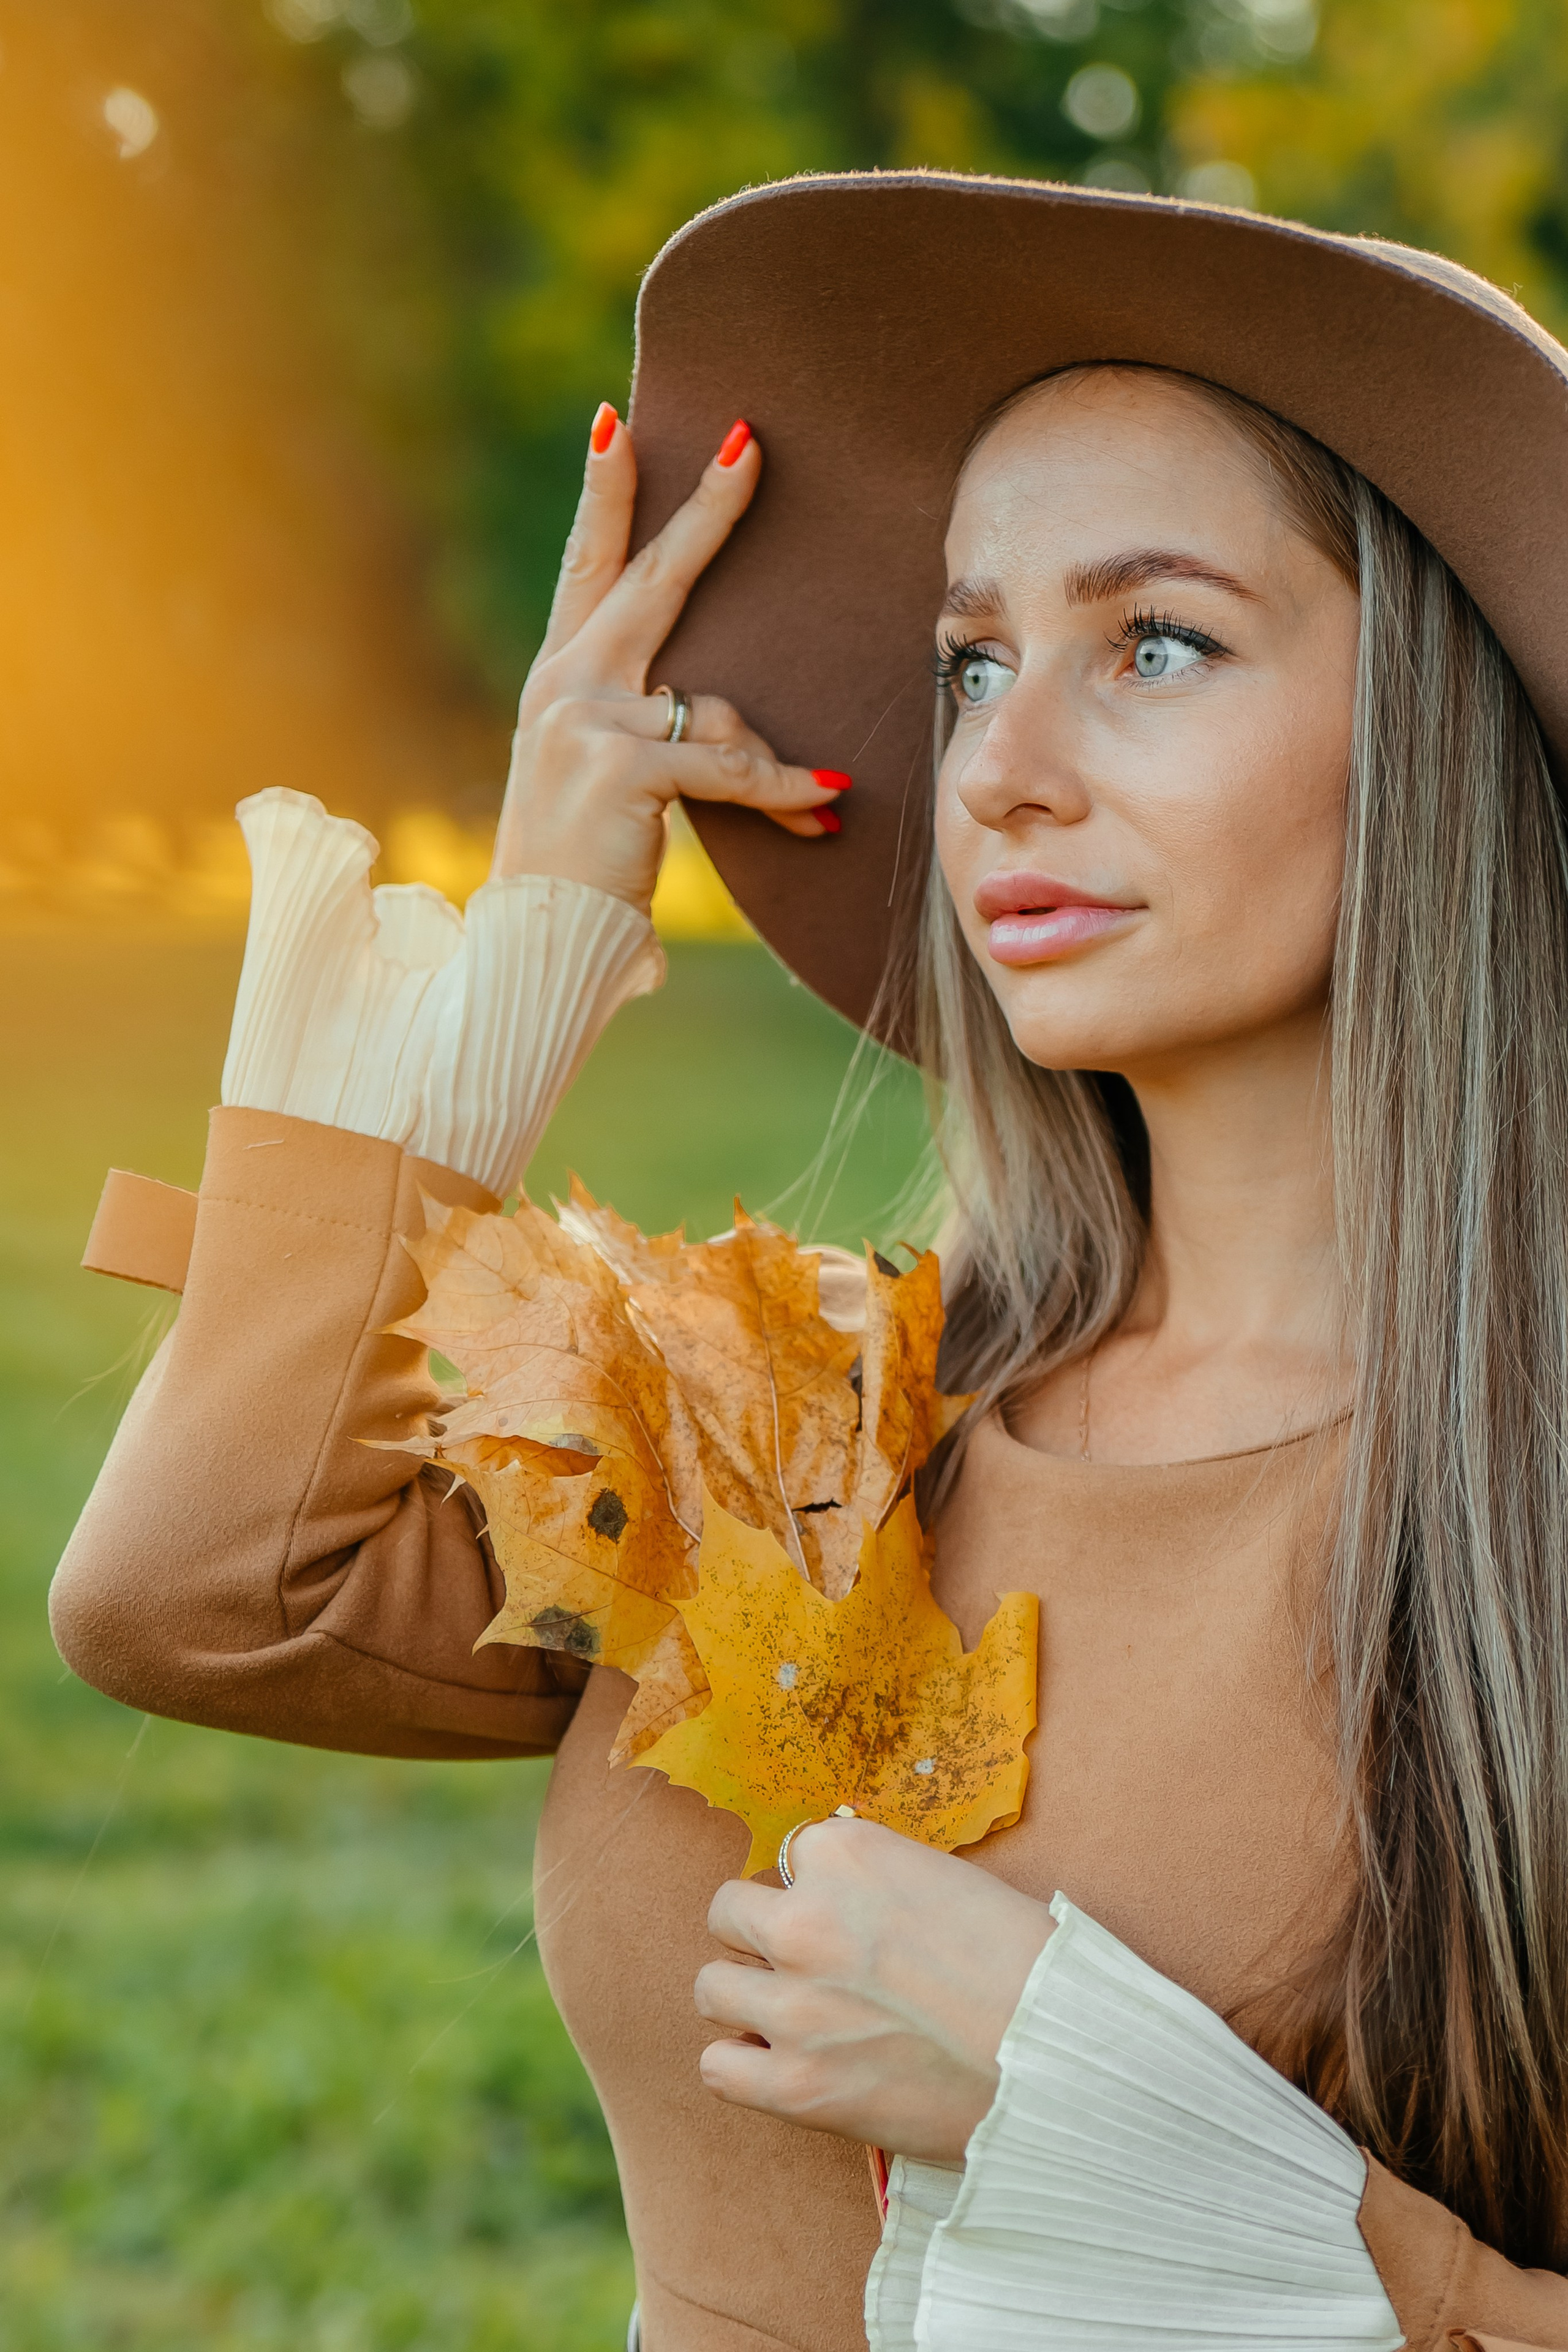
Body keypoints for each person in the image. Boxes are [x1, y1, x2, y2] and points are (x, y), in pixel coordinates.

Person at [50, 171, 1568, 2350]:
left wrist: (1100, 2111)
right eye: (971, 662)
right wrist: (540, 932)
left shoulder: (1531, 1507)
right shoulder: (801, 1430)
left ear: (1435, 729)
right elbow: (198, 1591)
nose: (1007, 772)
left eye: (1155, 643)